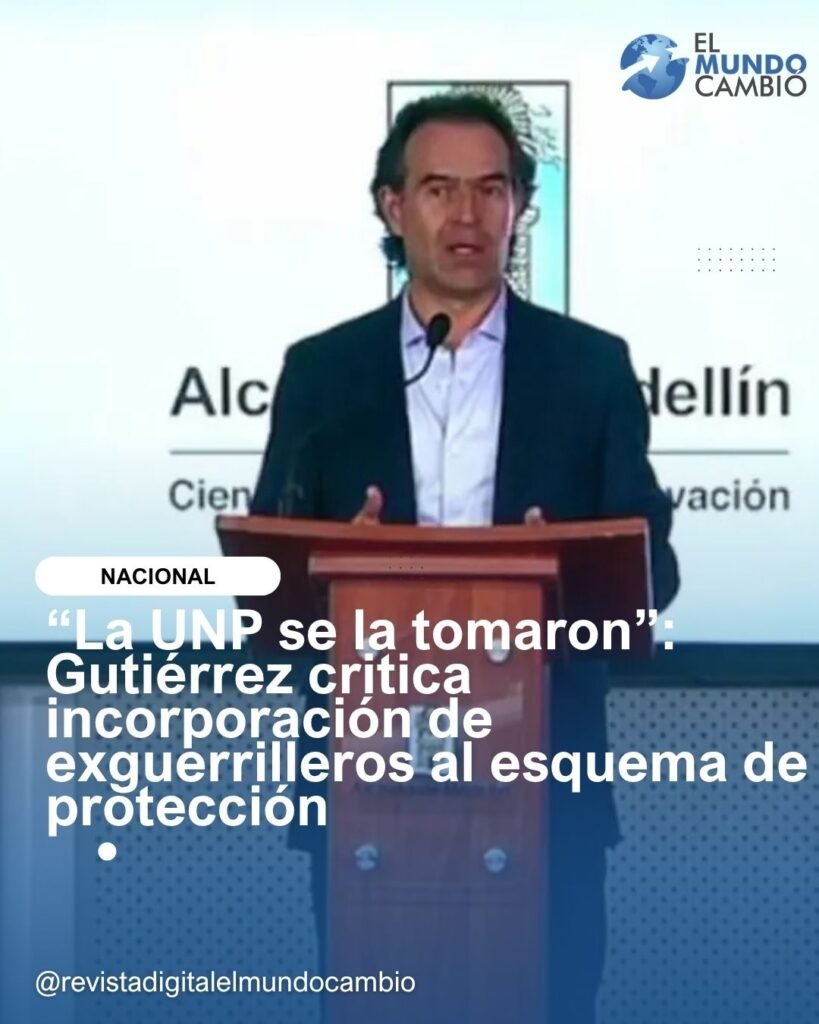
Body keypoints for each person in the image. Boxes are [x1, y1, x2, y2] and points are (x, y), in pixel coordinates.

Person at [251, 91, 679, 1024]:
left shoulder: (589, 369)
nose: (467, 215)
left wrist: (558, 567)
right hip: (364, 781)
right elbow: (268, 581)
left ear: (519, 206)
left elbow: (653, 569)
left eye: (491, 189)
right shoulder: (322, 375)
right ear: (392, 205)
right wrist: (338, 567)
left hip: (545, 778)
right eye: (439, 188)